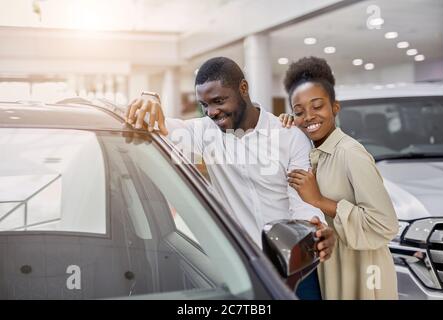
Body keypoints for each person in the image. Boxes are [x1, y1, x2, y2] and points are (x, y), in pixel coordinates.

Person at [125, 57, 335, 299]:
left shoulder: (289, 136)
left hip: (295, 268)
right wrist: (149, 96)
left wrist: (315, 230)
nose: (212, 112)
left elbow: (303, 202)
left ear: (243, 89)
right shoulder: (203, 133)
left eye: (219, 101)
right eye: (204, 104)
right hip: (244, 271)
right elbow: (154, 125)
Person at [279, 56, 399, 299]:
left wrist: (319, 200)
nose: (309, 116)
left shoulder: (350, 154)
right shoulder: (311, 151)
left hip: (363, 270)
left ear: (335, 107)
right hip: (332, 265)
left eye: (317, 106)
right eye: (299, 111)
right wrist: (287, 125)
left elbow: (386, 225)